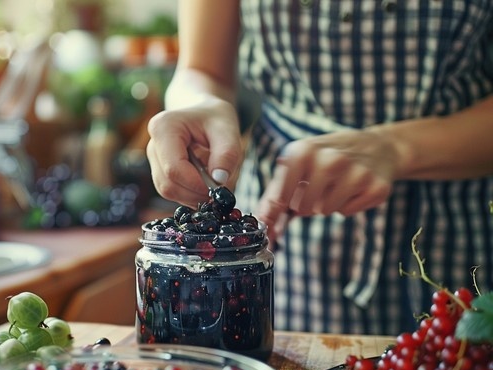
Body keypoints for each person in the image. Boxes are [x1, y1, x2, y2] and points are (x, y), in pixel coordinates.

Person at [145, 1, 493, 335]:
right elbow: (200, 69)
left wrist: (398, 148)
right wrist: (199, 104)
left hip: (458, 232)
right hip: (287, 236)